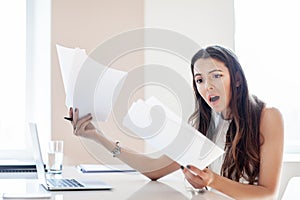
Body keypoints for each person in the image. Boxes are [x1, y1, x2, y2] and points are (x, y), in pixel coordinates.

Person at [67, 45, 284, 199]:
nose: (207, 86)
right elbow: (153, 169)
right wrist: (98, 137)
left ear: (236, 79)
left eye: (216, 76)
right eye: (200, 79)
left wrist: (211, 181)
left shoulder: (268, 117)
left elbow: (267, 194)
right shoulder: (203, 124)